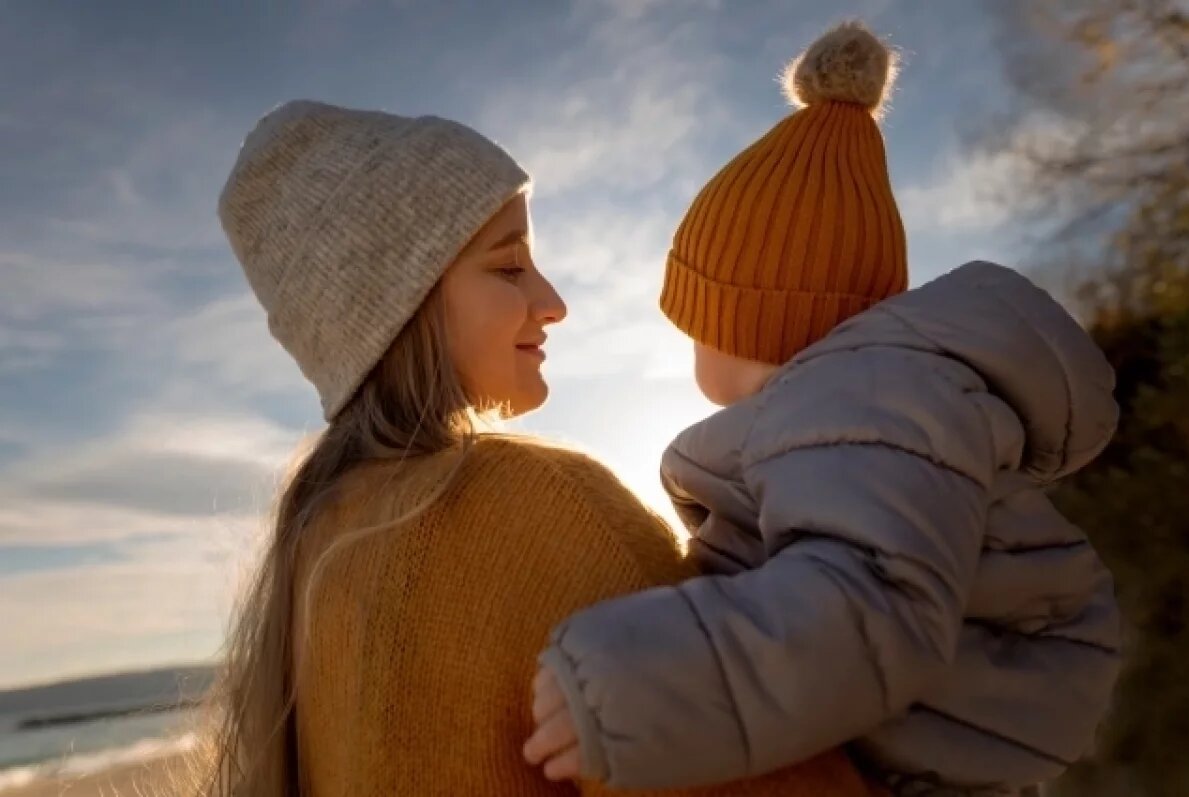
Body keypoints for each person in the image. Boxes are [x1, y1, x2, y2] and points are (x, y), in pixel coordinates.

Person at [194, 100, 881, 795]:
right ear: (406, 306)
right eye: (508, 266)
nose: (552, 300)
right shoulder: (540, 510)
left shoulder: (314, 549)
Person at [524, 21, 1123, 796]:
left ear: (747, 322)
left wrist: (630, 689)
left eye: (699, 320)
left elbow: (869, 601)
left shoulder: (863, 407)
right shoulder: (865, 415)